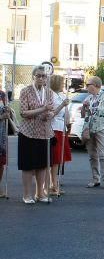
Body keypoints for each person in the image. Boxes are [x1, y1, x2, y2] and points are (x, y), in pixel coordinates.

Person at [17, 66, 57, 204]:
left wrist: (50, 114)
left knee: (43, 165)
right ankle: (27, 195)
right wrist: (42, 109)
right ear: (33, 77)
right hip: (28, 133)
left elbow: (52, 111)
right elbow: (23, 113)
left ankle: (40, 193)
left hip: (45, 133)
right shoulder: (25, 91)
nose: (41, 78)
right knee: (28, 165)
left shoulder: (49, 92)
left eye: (43, 76)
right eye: (38, 76)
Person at [48, 74, 71, 196]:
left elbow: (65, 113)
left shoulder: (61, 95)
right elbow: (51, 113)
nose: (63, 85)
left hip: (61, 127)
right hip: (53, 127)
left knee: (59, 159)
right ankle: (53, 184)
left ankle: (55, 183)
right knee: (55, 158)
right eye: (61, 83)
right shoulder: (50, 95)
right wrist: (63, 105)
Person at [0, 89, 11, 188]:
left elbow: (6, 111)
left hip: (1, 133)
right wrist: (2, 116)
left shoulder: (2, 94)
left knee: (1, 162)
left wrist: (7, 111)